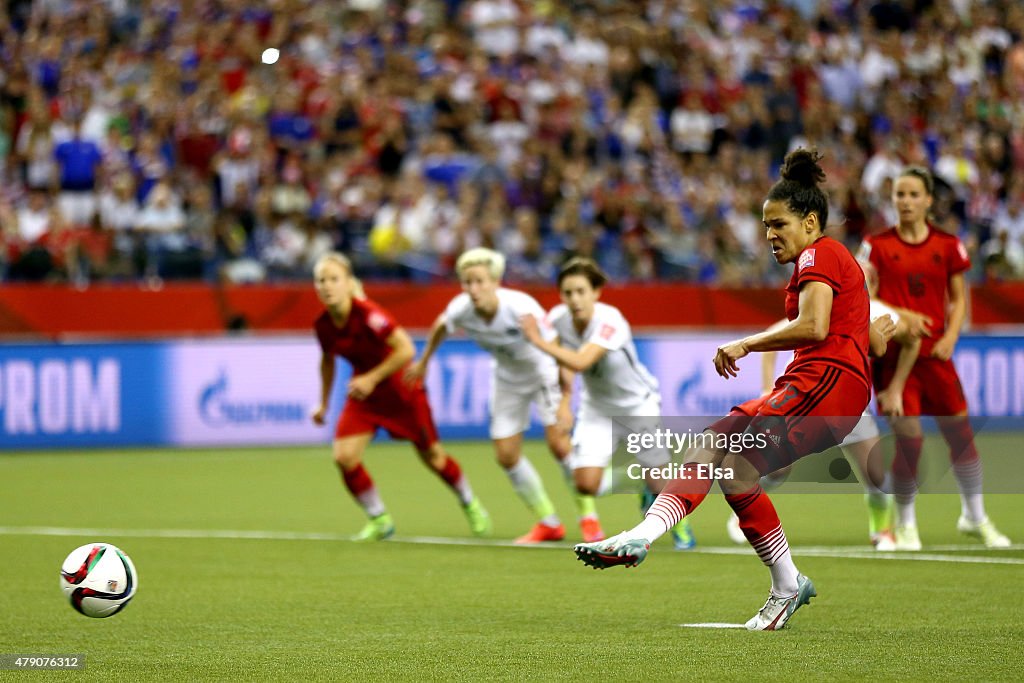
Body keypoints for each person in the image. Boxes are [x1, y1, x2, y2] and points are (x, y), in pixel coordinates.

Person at [574, 149, 891, 631]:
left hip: (823, 385)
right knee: (728, 464)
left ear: (809, 222)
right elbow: (845, 326)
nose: (769, 235)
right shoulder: (821, 260)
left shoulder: (820, 252)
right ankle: (780, 583)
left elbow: (813, 326)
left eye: (778, 224)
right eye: (765, 226)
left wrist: (746, 343)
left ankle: (644, 535)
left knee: (725, 451)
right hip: (818, 383)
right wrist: (870, 339)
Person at [858, 166, 1011, 550]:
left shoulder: (947, 245)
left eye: (912, 195)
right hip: (894, 361)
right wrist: (898, 314)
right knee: (910, 440)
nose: (905, 202)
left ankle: (975, 517)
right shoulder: (875, 245)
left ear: (928, 200)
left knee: (960, 435)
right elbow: (862, 294)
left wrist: (952, 336)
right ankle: (906, 523)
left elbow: (959, 298)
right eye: (899, 195)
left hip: (936, 358)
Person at [407, 247, 598, 543]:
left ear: (496, 282)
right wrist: (424, 361)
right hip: (507, 379)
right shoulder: (461, 308)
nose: (473, 289)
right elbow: (440, 327)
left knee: (559, 445)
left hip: (542, 372)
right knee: (506, 455)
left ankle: (589, 518)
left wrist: (564, 401)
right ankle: (548, 522)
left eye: (480, 281)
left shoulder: (522, 309)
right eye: (467, 282)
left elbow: (560, 350)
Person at [519, 256, 697, 550]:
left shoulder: (610, 320)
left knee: (660, 484)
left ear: (595, 293)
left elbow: (581, 360)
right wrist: (564, 401)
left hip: (637, 405)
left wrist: (536, 340)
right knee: (585, 483)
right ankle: (638, 483)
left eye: (580, 291)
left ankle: (680, 525)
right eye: (567, 293)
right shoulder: (559, 320)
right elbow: (562, 358)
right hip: (597, 407)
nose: (574, 299)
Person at [311, 252, 491, 541]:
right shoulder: (323, 325)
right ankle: (379, 519)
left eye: (334, 279)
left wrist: (371, 377)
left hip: (401, 392)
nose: (327, 286)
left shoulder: (370, 315)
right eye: (321, 280)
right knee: (344, 457)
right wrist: (322, 403)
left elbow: (406, 350)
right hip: (365, 398)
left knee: (434, 458)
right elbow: (327, 361)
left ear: (348, 283)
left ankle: (470, 502)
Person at [725, 297, 916, 551]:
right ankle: (744, 512)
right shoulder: (823, 303)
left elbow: (912, 337)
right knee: (778, 468)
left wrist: (896, 388)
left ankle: (881, 530)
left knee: (875, 472)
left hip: (849, 405)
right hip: (806, 397)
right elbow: (773, 336)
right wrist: (766, 388)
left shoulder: (879, 311)